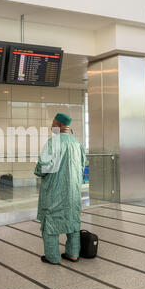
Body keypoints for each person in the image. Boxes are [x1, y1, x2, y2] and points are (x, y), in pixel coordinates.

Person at [34, 113, 86, 264]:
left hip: (54, 191)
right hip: (73, 192)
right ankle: (73, 254)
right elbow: (83, 165)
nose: (51, 126)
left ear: (58, 125)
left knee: (50, 223)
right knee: (73, 221)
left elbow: (42, 168)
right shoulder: (77, 144)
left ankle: (53, 257)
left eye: (53, 123)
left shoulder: (52, 143)